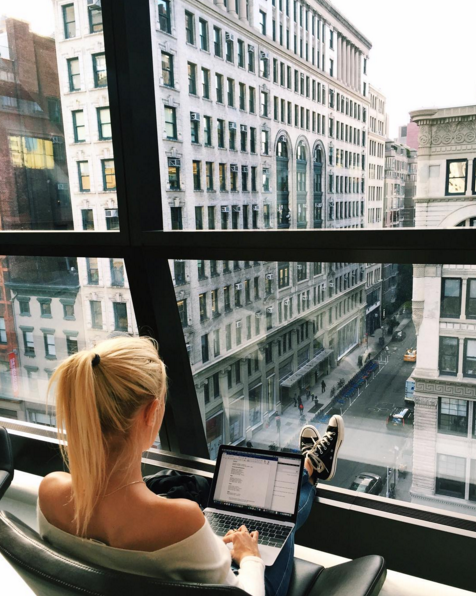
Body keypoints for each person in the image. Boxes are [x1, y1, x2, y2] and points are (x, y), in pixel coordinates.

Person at [37, 337, 345, 596]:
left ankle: (307, 470)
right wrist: (249, 559)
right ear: (151, 413)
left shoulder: (50, 492)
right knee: (276, 525)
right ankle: (308, 471)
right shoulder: (179, 519)